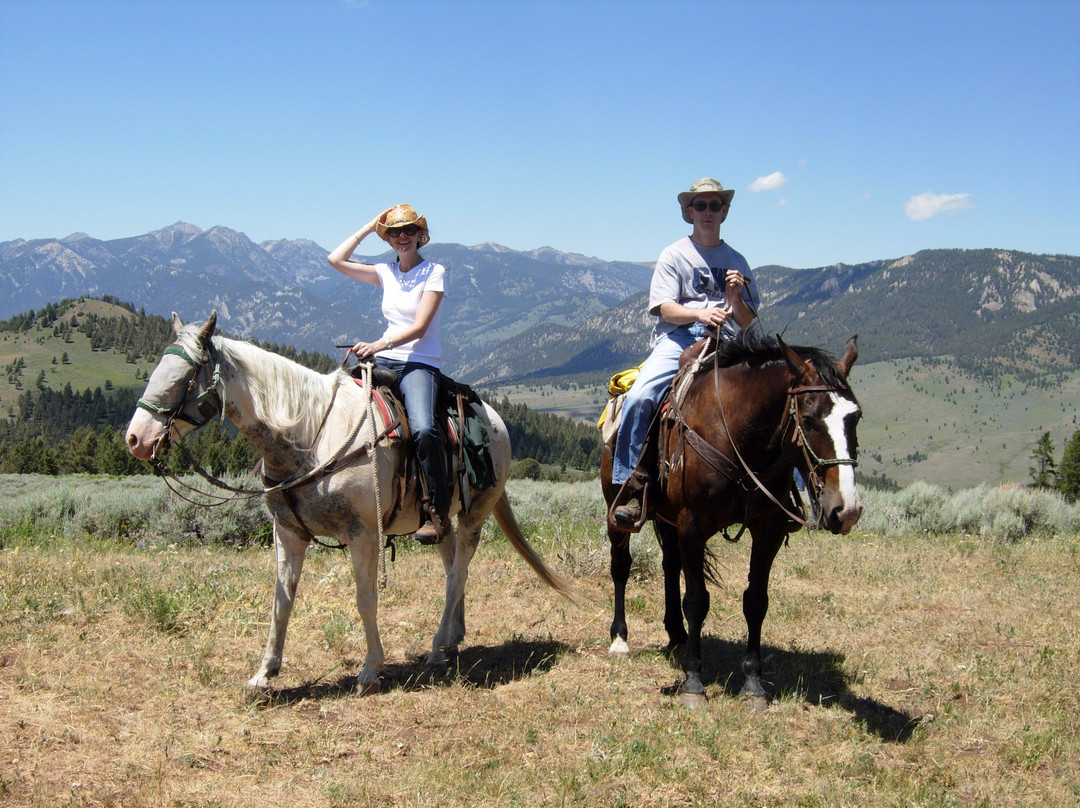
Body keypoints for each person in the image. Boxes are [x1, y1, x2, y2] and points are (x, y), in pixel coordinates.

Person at [611, 177, 760, 525]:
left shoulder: (737, 260)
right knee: (641, 397)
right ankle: (631, 485)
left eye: (715, 205)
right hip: (678, 338)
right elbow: (664, 308)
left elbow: (748, 320)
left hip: (727, 338)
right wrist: (700, 312)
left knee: (772, 394)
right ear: (689, 212)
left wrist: (735, 299)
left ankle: (785, 491)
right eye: (701, 206)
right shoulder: (674, 254)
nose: (708, 212)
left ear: (724, 211)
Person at [328, 204, 451, 544]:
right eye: (394, 232)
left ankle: (436, 511)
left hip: (419, 363)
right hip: (385, 358)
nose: (401, 238)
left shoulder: (434, 272)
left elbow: (420, 327)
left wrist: (378, 343)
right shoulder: (385, 271)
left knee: (424, 427)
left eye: (408, 230)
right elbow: (334, 261)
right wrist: (370, 226)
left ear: (420, 234)